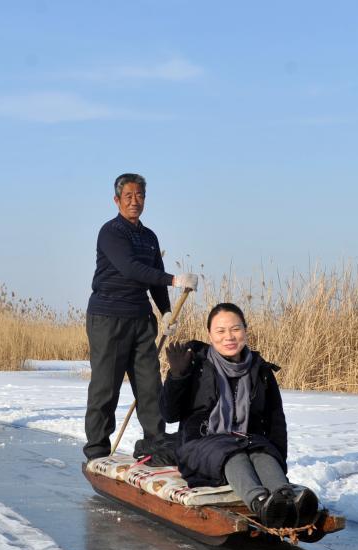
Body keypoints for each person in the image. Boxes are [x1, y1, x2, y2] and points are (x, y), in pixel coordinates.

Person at [160, 303, 320, 529]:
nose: (229, 337)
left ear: (245, 330)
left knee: (262, 451)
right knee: (233, 453)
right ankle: (261, 503)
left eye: (235, 329)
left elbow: (276, 420)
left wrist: (277, 459)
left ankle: (285, 497)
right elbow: (169, 415)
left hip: (246, 439)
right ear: (210, 335)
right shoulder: (196, 365)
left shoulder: (260, 370)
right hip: (200, 445)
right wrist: (178, 376)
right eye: (221, 331)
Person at [83, 172, 198, 460]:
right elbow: (131, 268)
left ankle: (156, 445)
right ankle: (97, 450)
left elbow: (154, 280)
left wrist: (167, 312)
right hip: (108, 318)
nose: (135, 201)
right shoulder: (111, 232)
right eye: (129, 196)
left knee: (149, 386)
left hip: (141, 319)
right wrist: (175, 280)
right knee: (105, 388)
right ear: (117, 200)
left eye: (140, 196)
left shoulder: (149, 237)